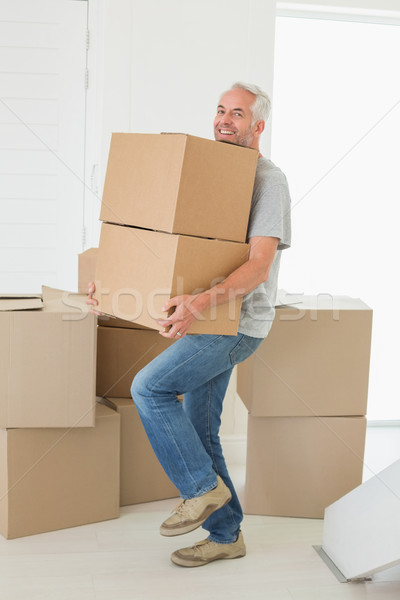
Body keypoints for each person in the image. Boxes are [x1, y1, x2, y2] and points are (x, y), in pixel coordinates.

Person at [87, 82, 291, 568]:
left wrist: (200, 304)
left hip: (237, 325)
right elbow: (163, 242)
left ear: (257, 126)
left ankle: (201, 488)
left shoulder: (268, 180)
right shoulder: (206, 173)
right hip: (206, 318)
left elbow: (259, 265)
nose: (224, 120)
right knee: (201, 429)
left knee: (149, 389)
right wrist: (114, 288)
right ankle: (226, 536)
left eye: (237, 114)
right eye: (220, 110)